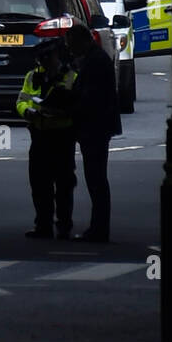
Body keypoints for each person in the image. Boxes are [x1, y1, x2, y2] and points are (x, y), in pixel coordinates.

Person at [17, 38, 79, 239]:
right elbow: (22, 100)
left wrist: (58, 110)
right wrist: (27, 112)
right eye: (41, 58)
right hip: (39, 134)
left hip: (62, 136)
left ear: (56, 55)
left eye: (48, 57)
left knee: (64, 183)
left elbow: (73, 104)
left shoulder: (69, 76)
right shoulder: (32, 76)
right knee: (39, 183)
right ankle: (43, 225)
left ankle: (64, 226)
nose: (44, 62)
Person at [66, 24, 120, 242]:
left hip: (95, 128)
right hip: (97, 127)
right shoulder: (94, 59)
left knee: (96, 179)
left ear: (82, 41)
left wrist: (69, 106)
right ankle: (99, 226)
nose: (70, 50)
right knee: (96, 178)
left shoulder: (95, 61)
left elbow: (90, 99)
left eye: (72, 45)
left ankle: (99, 228)